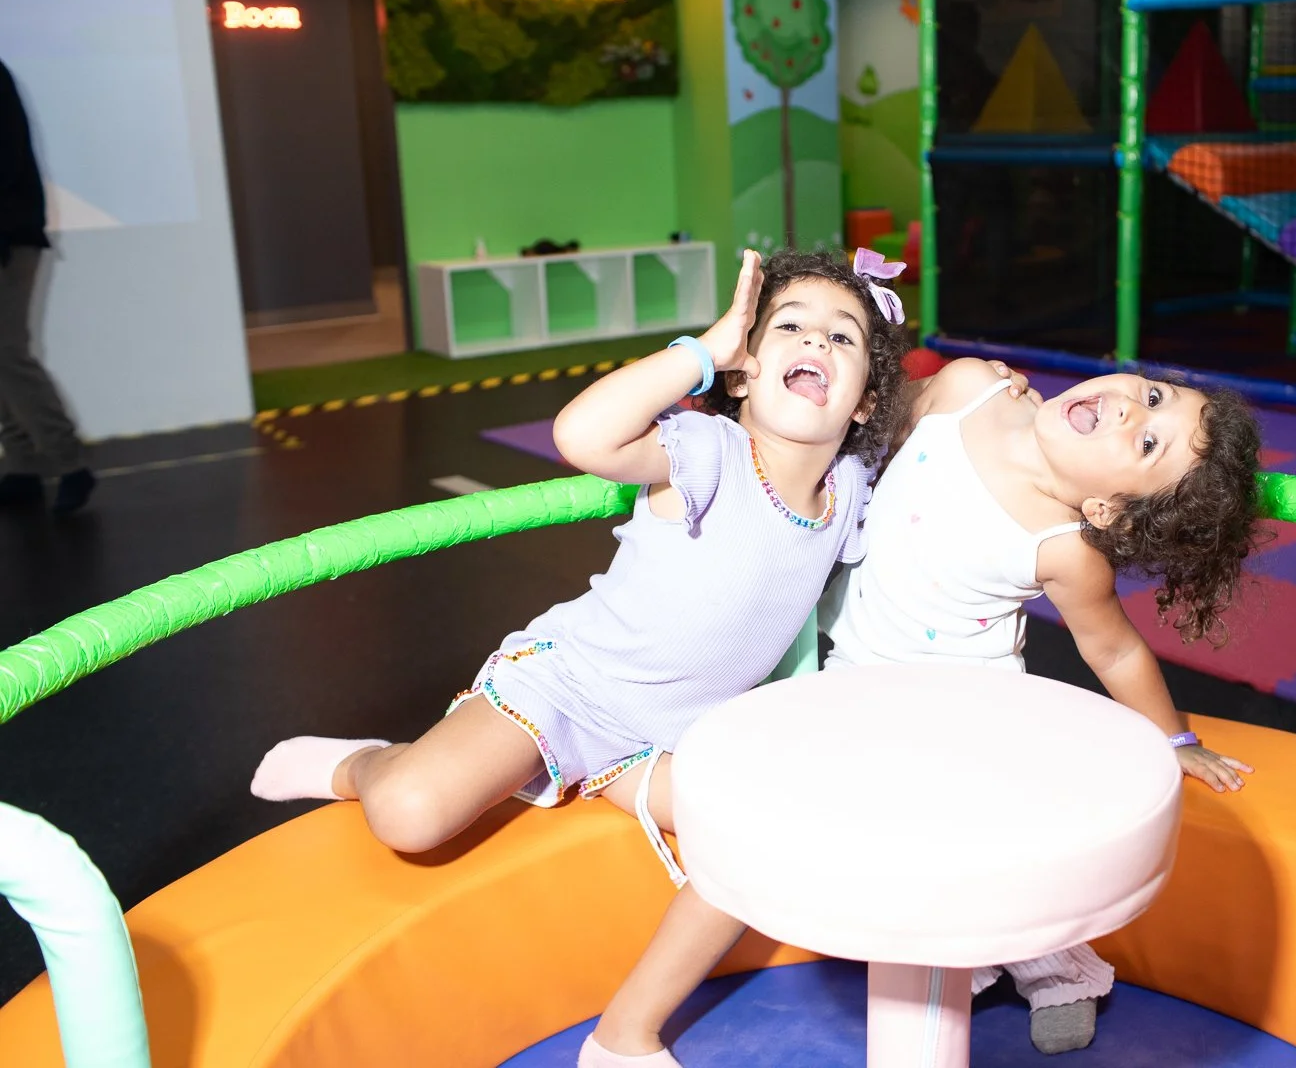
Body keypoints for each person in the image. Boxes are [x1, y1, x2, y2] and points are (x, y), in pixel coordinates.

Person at [585, 357, 1267, 1065]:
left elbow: (1115, 650)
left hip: (962, 719)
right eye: (1153, 394)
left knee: (993, 857)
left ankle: (1060, 969)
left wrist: (1176, 739)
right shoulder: (970, 389)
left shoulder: (1064, 548)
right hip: (850, 683)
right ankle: (984, 960)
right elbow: (862, 427)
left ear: (1108, 511)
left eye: (1149, 442)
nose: (1131, 408)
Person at [248, 247, 910, 880]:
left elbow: (935, 406)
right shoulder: (712, 451)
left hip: (674, 738)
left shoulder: (848, 490)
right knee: (409, 813)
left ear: (864, 403)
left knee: (770, 826)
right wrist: (703, 353)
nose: (816, 340)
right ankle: (367, 763)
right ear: (743, 373)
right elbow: (581, 436)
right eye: (789, 325)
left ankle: (601, 776)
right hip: (571, 691)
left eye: (843, 337)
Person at [0, 58, 93, 514]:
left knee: (8, 352)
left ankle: (70, 463)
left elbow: (6, 157)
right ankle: (22, 466)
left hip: (9, 238)